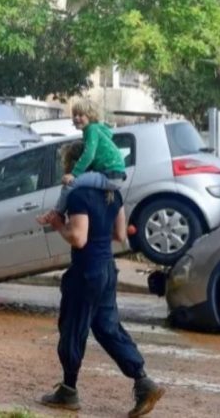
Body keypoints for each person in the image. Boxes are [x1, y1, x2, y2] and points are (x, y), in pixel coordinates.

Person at [37, 187, 165, 416]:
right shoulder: (112, 193)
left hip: (86, 273)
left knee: (73, 329)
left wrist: (58, 225)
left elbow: (78, 238)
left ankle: (68, 391)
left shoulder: (79, 195)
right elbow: (120, 235)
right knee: (108, 328)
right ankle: (143, 382)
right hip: (106, 270)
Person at [55, 101, 127, 214]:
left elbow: (89, 155)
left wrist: (74, 174)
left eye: (80, 115)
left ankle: (57, 214)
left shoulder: (91, 130)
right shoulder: (97, 130)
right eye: (74, 115)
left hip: (110, 174)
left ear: (90, 115)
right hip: (117, 174)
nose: (76, 118)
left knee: (70, 183)